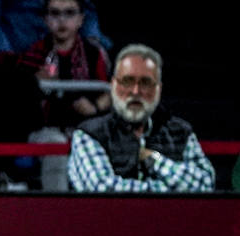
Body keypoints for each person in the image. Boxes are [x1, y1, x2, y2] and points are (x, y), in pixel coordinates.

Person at [68, 44, 215, 192]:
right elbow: (103, 189)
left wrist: (154, 160)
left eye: (145, 82)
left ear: (158, 89)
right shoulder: (89, 134)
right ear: (113, 85)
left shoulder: (181, 131)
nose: (136, 91)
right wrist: (171, 190)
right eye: (127, 81)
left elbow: (206, 184)